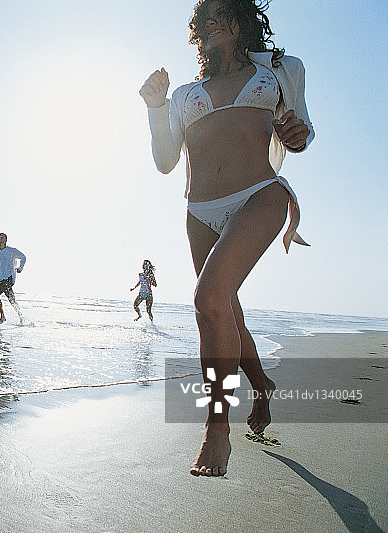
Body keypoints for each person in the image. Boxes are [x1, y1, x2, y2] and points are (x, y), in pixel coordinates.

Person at [140, 0, 313, 476]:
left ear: (240, 22)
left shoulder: (279, 70)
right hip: (200, 211)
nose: (212, 23)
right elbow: (165, 160)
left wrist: (296, 135)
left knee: (209, 299)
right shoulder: (185, 93)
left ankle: (217, 431)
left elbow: (301, 131)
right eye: (204, 18)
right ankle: (261, 386)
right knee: (225, 310)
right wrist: (156, 107)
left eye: (222, 14)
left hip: (261, 194)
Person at [0, 233, 26, 324]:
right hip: (2, 279)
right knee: (12, 300)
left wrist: (20, 268)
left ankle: (2, 316)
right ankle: (22, 318)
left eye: (2, 238)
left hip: (10, 278)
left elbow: (23, 257)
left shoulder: (11, 250)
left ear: (6, 240)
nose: (0, 239)